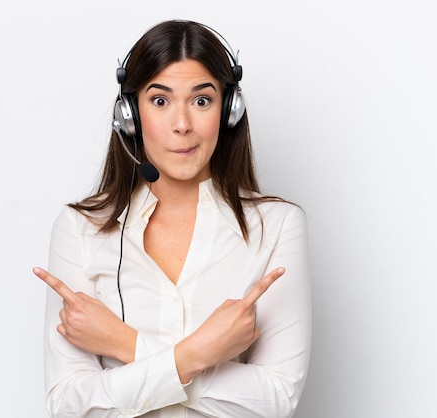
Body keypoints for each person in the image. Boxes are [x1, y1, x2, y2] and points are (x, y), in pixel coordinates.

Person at [33, 19, 311, 418]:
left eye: (202, 101)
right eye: (160, 101)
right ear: (129, 114)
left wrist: (125, 344)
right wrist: (200, 354)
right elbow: (71, 406)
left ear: (229, 111)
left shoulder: (278, 225)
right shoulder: (80, 229)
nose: (182, 125)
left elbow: (276, 399)